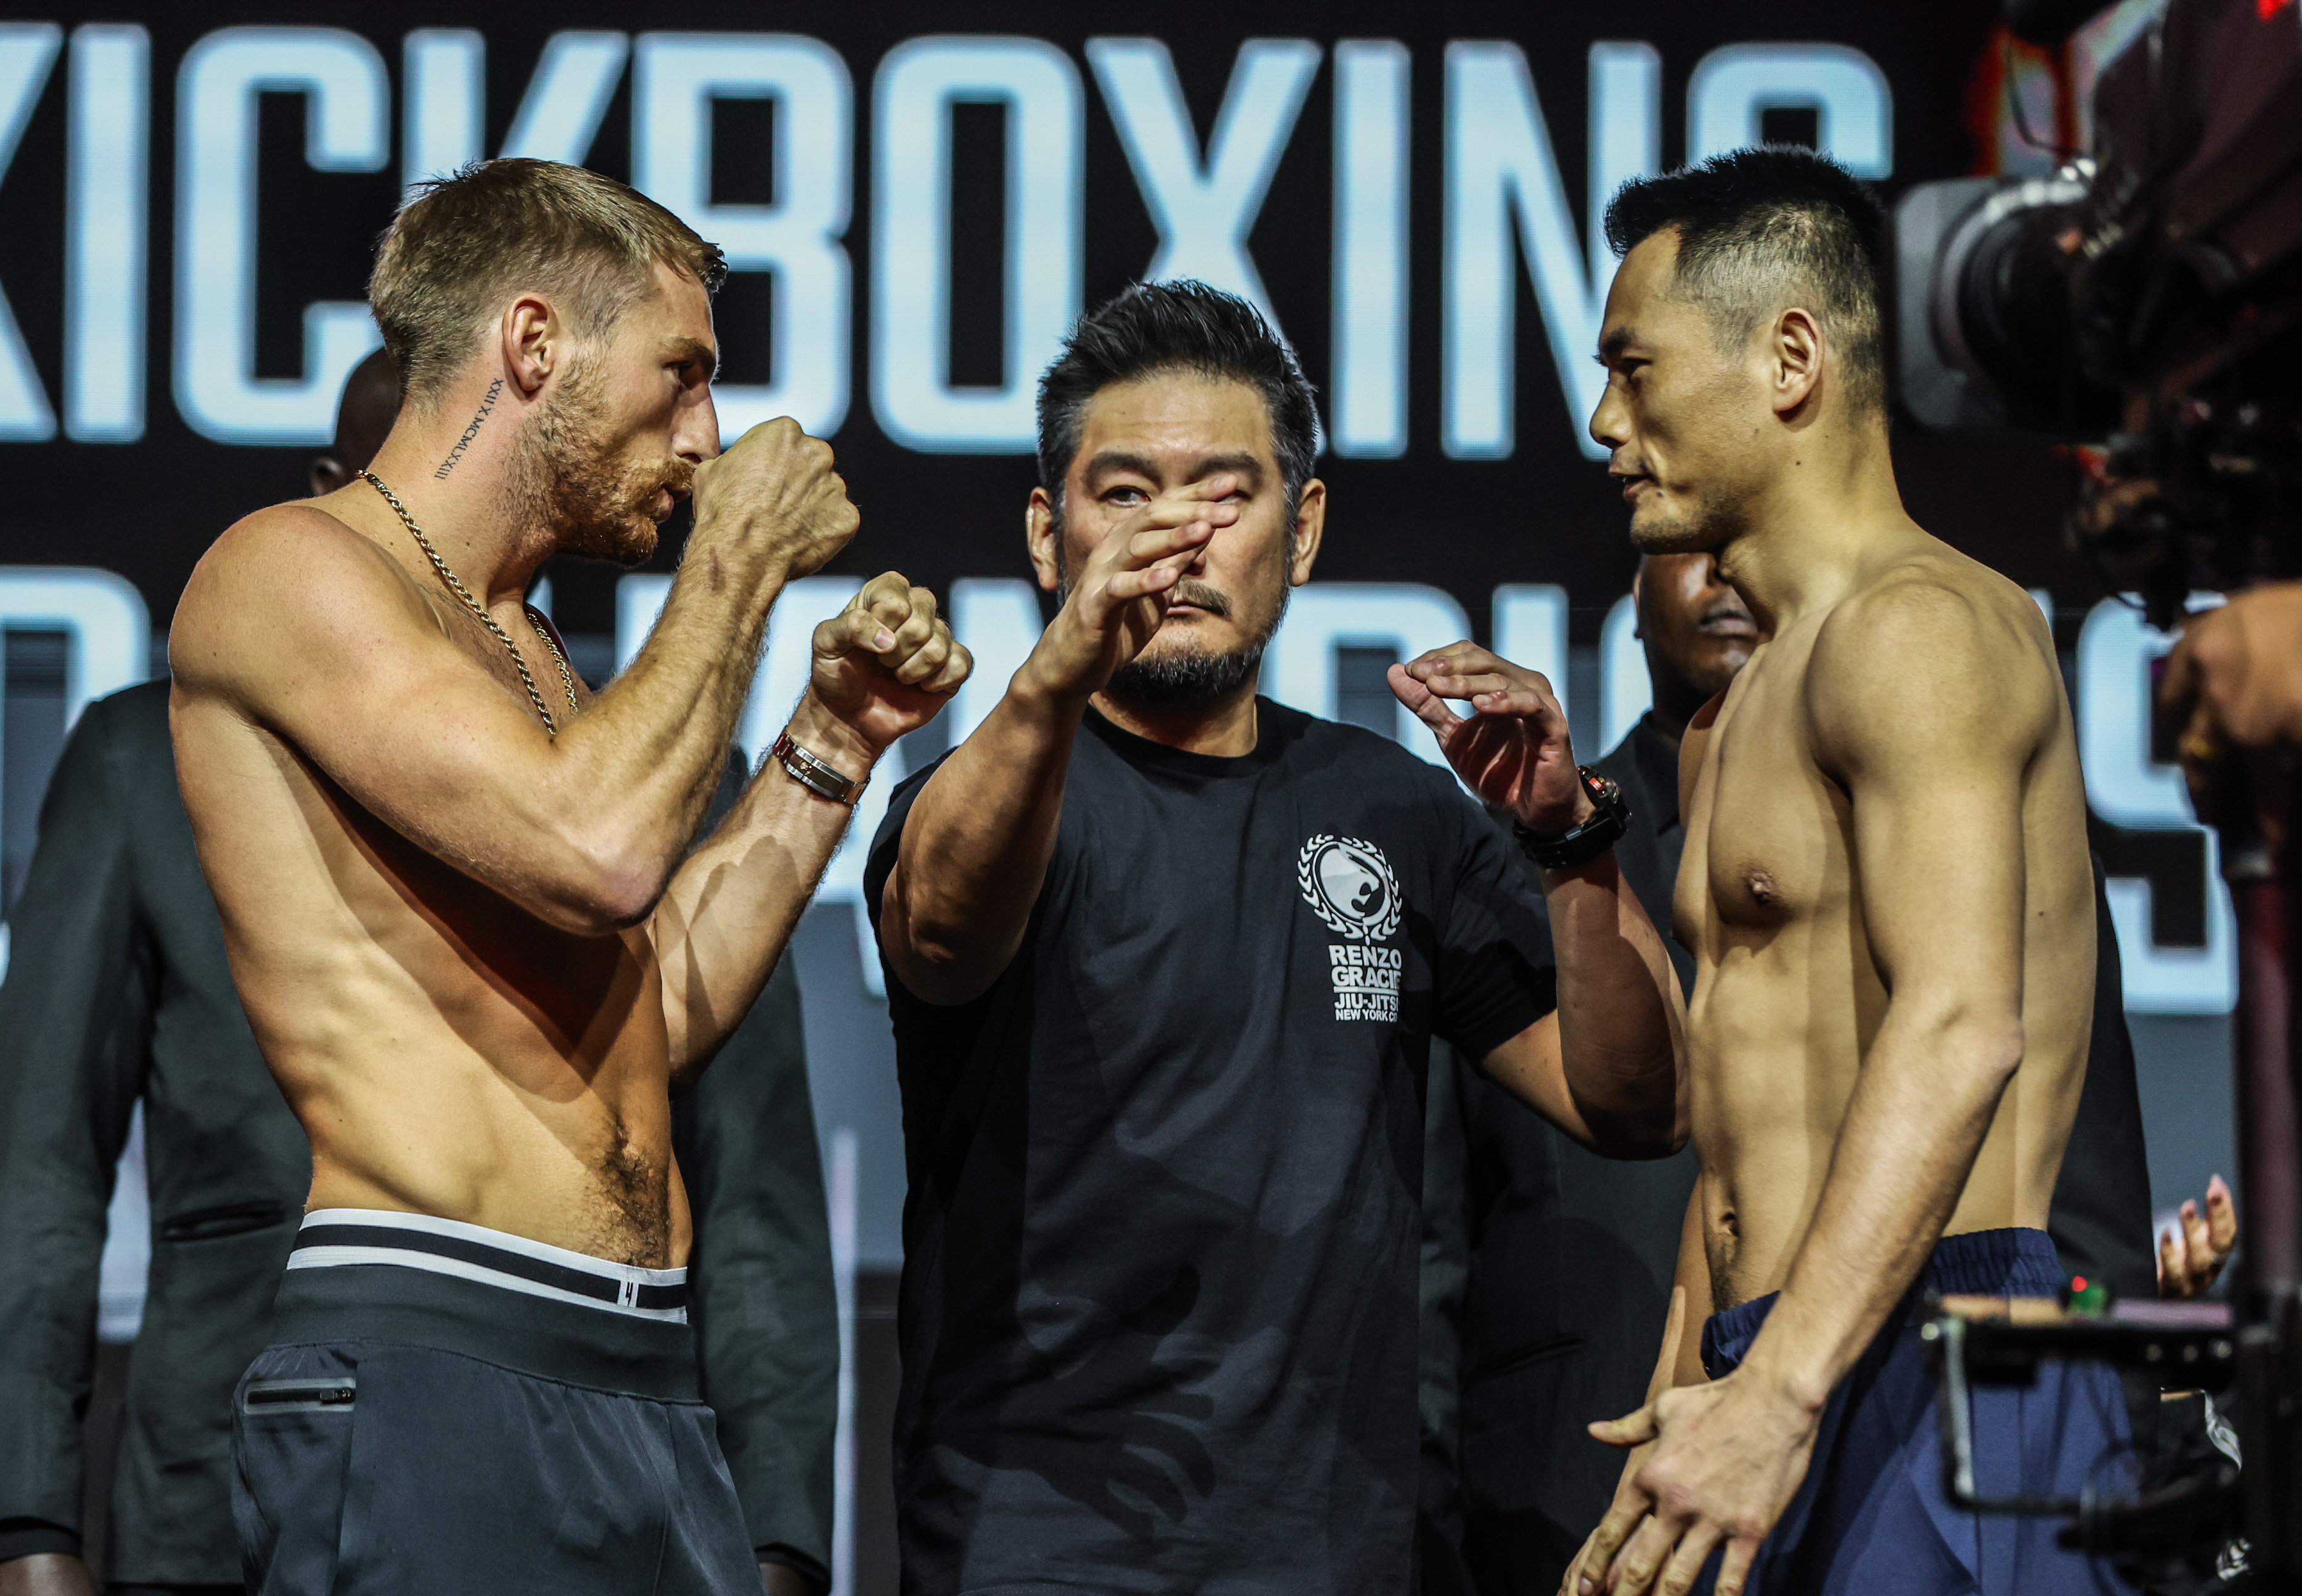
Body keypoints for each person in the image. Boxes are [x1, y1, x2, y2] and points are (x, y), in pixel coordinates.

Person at [168, 158, 966, 1594]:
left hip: (645, 1381)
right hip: (434, 1368)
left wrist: (828, 733)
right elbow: (594, 851)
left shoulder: (533, 657)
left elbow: (657, 1006)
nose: (706, 435)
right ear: (535, 344)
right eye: (680, 375)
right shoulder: (288, 571)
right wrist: (730, 566)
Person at [0, 344, 843, 1595]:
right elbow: (47, 1156)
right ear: (337, 495)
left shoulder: (666, 778)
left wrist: (784, 1535)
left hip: (615, 1451)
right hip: (218, 1473)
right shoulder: (136, 762)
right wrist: (21, 1526)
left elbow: (754, 1197)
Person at [864, 279, 1686, 1594]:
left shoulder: (1400, 809)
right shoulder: (991, 798)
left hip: (1337, 1549)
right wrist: (1058, 669)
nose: (1175, 538)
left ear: (1301, 530)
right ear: (1045, 532)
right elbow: (944, 932)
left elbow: (1632, 1102)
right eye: (1124, 494)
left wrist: (1569, 840)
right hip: (1035, 1549)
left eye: (1223, 495)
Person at [1510, 146, 2129, 1596]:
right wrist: (1688, 1407)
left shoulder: (1919, 630)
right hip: (1766, 1362)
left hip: (1946, 1355)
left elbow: (1963, 1024)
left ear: (1791, 358)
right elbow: (1734, 1135)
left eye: (1635, 368)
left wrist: (1778, 1393)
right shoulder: (1742, 710)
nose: (1607, 421)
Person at [1422, 552, 2198, 1594]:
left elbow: (2088, 1213)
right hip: (1579, 1489)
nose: (1727, 580)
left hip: (1925, 1454)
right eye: (1691, 553)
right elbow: (1434, 1244)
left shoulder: (1985, 820)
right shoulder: (1508, 855)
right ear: (1632, 591)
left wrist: (2125, 1478)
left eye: (1749, 549)